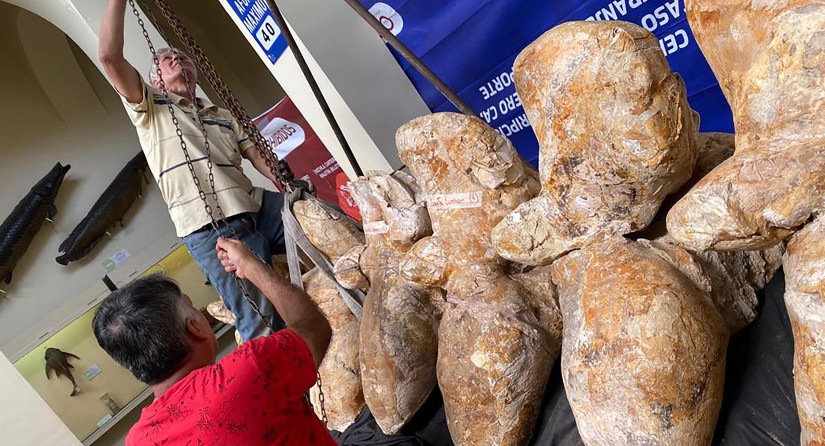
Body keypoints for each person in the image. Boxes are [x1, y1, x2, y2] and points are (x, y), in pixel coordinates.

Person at [99, 0, 289, 341]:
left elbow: (256, 154)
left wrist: (283, 180)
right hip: (210, 225)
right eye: (166, 59)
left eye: (182, 56)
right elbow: (109, 57)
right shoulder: (150, 107)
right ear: (156, 78)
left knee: (314, 219)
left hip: (257, 207)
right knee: (260, 319)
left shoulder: (221, 113)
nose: (177, 59)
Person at [93, 237, 336, 445]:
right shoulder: (249, 370)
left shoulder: (138, 440)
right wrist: (252, 267)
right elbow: (314, 327)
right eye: (193, 309)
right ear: (195, 326)